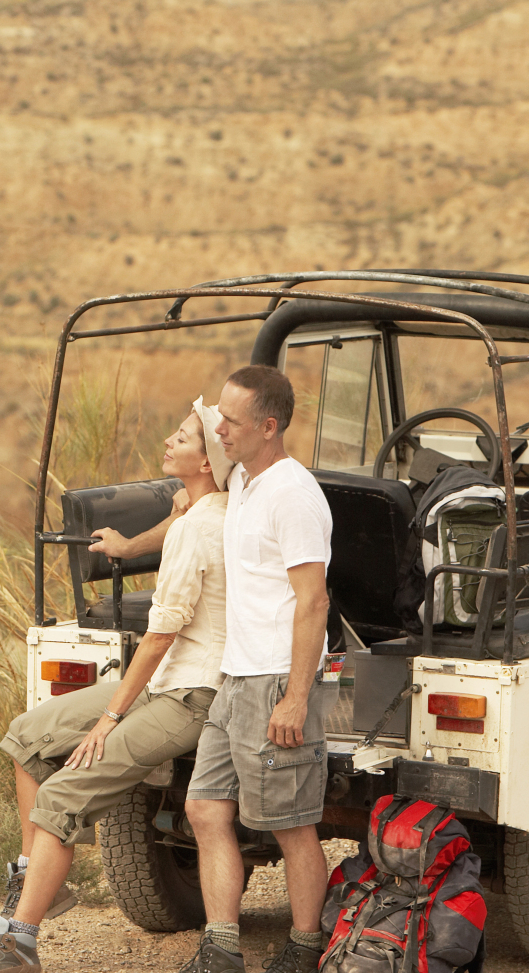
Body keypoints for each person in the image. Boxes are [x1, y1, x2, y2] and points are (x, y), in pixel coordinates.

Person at [0, 400, 236, 973]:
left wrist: (109, 719)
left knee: (61, 796)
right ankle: (42, 884)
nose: (169, 440)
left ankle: (16, 943)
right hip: (168, 676)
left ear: (206, 461)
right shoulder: (203, 508)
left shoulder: (201, 530)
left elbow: (156, 638)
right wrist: (130, 548)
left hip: (191, 693)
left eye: (182, 437)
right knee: (26, 737)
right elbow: (178, 520)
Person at [179, 364, 337, 973]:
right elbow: (202, 430)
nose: (218, 428)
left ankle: (303, 949)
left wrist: (296, 698)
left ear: (269, 428)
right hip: (234, 678)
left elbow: (313, 601)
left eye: (232, 421)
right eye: (218, 416)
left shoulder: (292, 495)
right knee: (205, 807)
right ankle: (222, 948)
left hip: (275, 678)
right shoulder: (243, 474)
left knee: (290, 825)